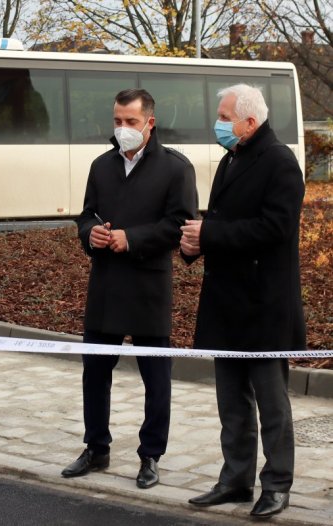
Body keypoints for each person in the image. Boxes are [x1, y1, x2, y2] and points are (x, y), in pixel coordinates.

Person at [62, 89, 197, 489]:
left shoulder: (176, 168)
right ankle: (96, 447)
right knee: (94, 374)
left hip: (148, 286)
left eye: (131, 122)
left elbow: (180, 225)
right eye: (117, 121)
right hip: (105, 285)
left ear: (149, 123)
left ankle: (151, 454)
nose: (122, 129)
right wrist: (93, 235)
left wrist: (131, 238)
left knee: (156, 379)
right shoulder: (101, 165)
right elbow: (85, 215)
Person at [182, 84, 305, 518]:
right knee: (231, 401)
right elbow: (219, 222)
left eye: (223, 115)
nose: (217, 123)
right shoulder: (232, 159)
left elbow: (275, 228)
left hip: (264, 304)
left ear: (249, 122)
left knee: (272, 403)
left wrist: (210, 235)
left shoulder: (281, 162)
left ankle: (277, 485)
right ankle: (235, 479)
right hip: (226, 302)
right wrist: (195, 244)